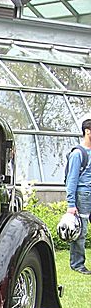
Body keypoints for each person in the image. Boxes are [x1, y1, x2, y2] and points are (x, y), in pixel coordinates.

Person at [65, 117, 91, 274]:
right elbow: (72, 179)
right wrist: (71, 204)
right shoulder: (77, 154)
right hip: (83, 195)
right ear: (87, 131)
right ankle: (77, 264)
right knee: (81, 231)